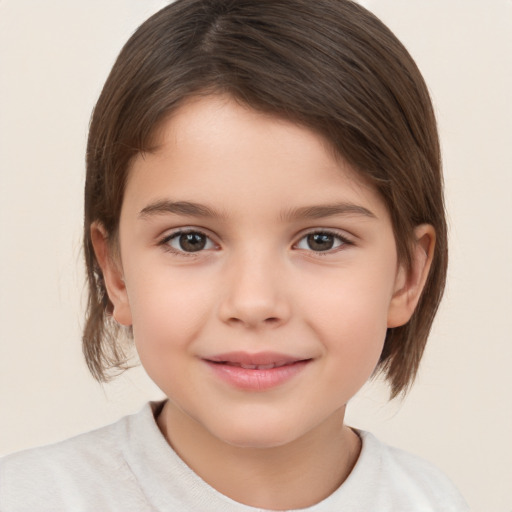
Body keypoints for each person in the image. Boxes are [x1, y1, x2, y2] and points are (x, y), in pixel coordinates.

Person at [0, 0, 469, 510]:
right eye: (191, 240)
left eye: (321, 240)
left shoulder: (433, 500)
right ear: (115, 271)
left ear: (407, 275)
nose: (253, 302)